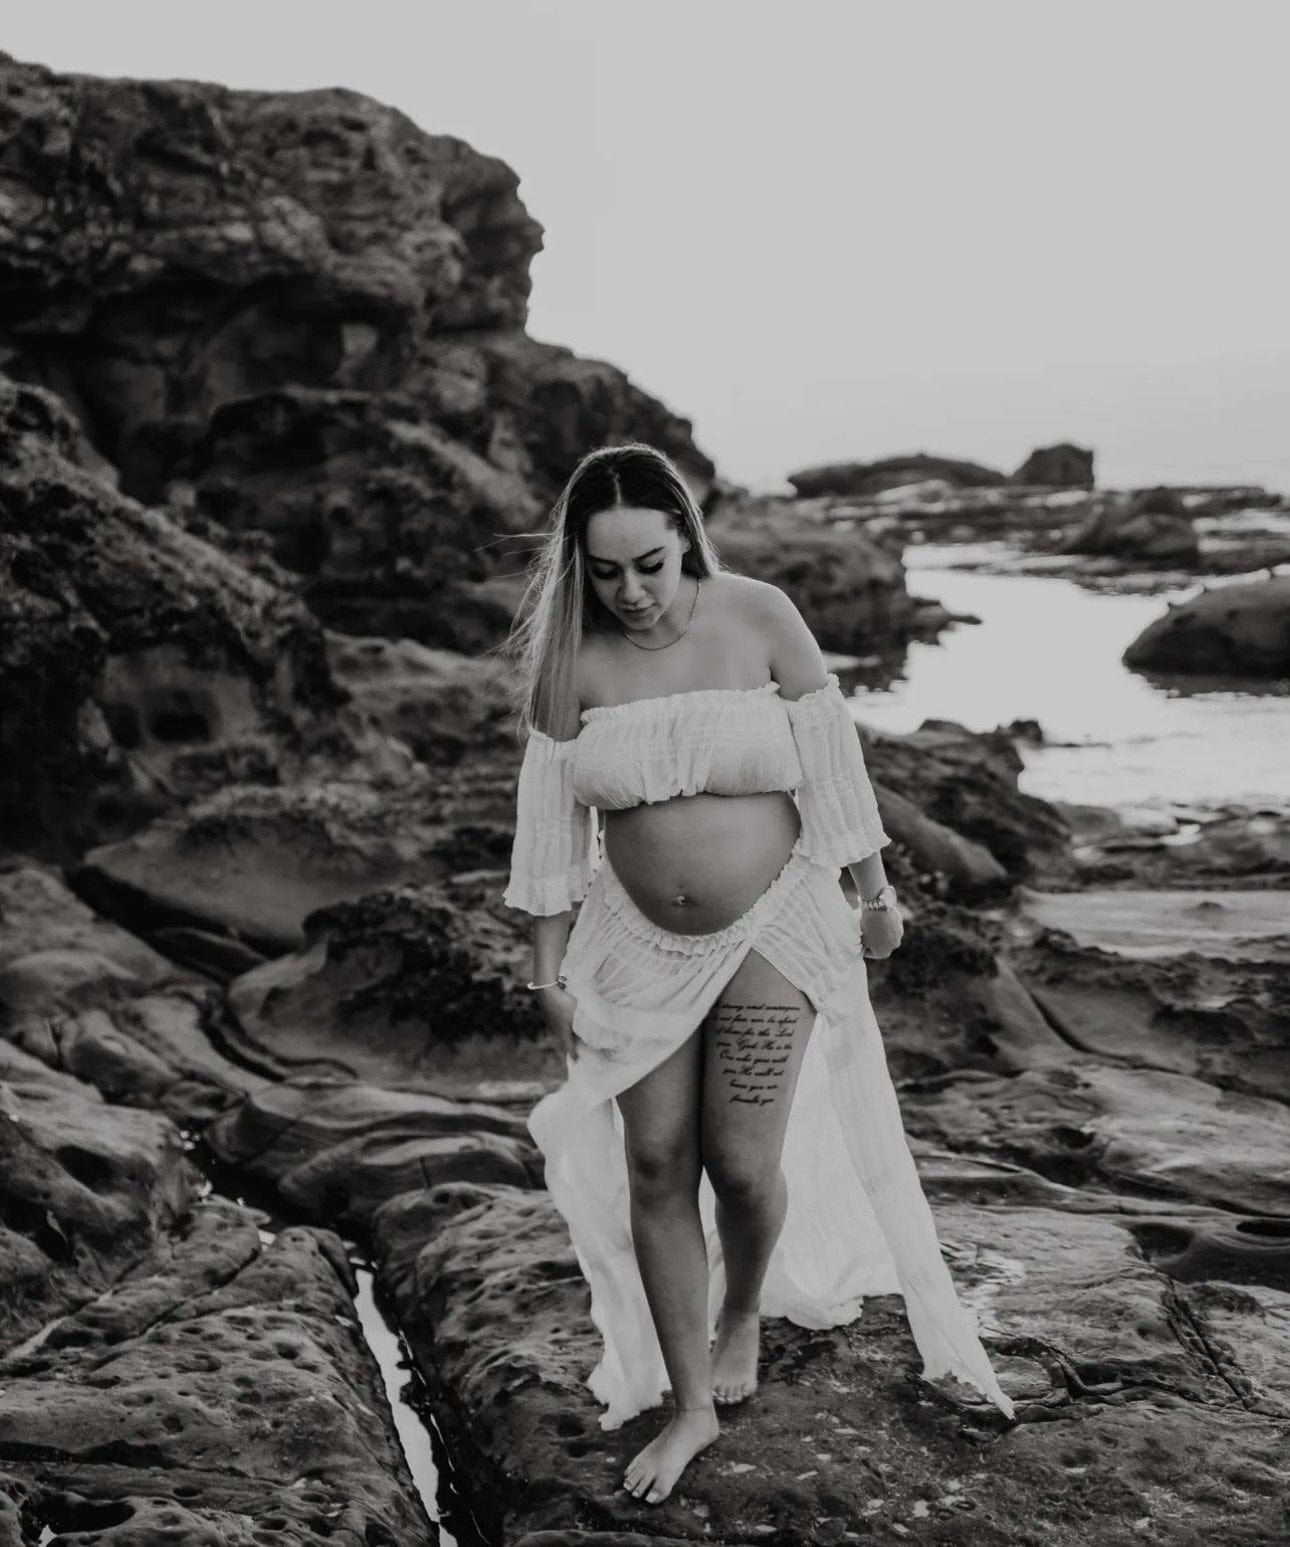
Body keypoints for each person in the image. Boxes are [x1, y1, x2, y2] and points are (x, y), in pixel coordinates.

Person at [500, 443, 1015, 1507]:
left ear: (685, 535)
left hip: (775, 921)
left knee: (739, 1163)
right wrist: (545, 968)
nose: (632, 592)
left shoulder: (760, 614)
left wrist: (876, 893)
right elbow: (549, 828)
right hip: (630, 941)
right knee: (654, 1162)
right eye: (605, 572)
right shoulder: (572, 661)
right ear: (577, 566)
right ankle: (690, 1401)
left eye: (650, 562)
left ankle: (743, 1312)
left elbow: (832, 764)